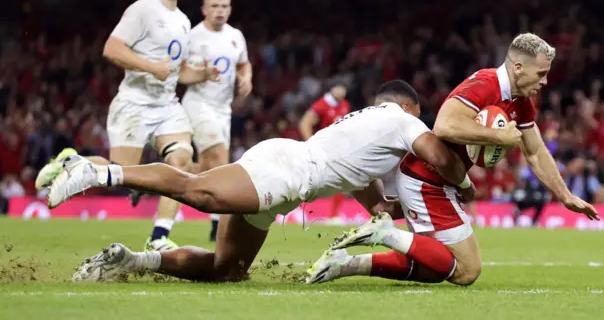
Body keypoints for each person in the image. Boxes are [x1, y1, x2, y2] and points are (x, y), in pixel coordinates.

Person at [51, 80, 472, 283]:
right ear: (405, 106)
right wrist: (464, 182)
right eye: (418, 114)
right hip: (287, 171)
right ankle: (98, 172)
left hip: (290, 176)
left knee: (227, 269)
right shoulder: (400, 119)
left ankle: (130, 259)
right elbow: (439, 156)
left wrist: (384, 210)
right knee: (198, 192)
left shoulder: (364, 126)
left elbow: (365, 191)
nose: (422, 125)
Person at [305, 33, 600, 286]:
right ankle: (385, 233)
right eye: (541, 73)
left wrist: (565, 196)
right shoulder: (485, 85)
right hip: (427, 178)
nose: (546, 81)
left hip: (440, 180)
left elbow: (534, 151)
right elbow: (444, 126)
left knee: (436, 267)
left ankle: (345, 264)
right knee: (466, 270)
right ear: (519, 68)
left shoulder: (521, 102)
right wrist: (498, 138)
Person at [35, 0, 219, 251]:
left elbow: (177, 71)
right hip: (134, 104)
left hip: (167, 106)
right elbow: (112, 48)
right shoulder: (143, 10)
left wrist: (202, 74)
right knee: (122, 172)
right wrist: (149, 66)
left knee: (181, 164)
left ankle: (159, 237)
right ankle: (71, 162)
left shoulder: (183, 21)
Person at [182, 0, 252, 242]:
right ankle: (219, 224)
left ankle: (163, 174)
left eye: (224, 6)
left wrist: (246, 79)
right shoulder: (193, 37)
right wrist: (201, 74)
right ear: (204, 9)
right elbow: (180, 74)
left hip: (223, 109)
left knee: (207, 167)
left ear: (230, 9)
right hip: (198, 104)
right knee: (221, 157)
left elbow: (244, 63)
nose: (219, 11)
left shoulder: (235, 36)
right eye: (214, 6)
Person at [298, 82, 350, 222]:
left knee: (341, 182)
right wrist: (311, 144)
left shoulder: (345, 104)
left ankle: (333, 216)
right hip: (323, 150)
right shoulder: (322, 104)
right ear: (332, 88)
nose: (342, 91)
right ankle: (302, 213)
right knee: (312, 182)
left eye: (344, 88)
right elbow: (304, 123)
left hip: (338, 150)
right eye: (340, 87)